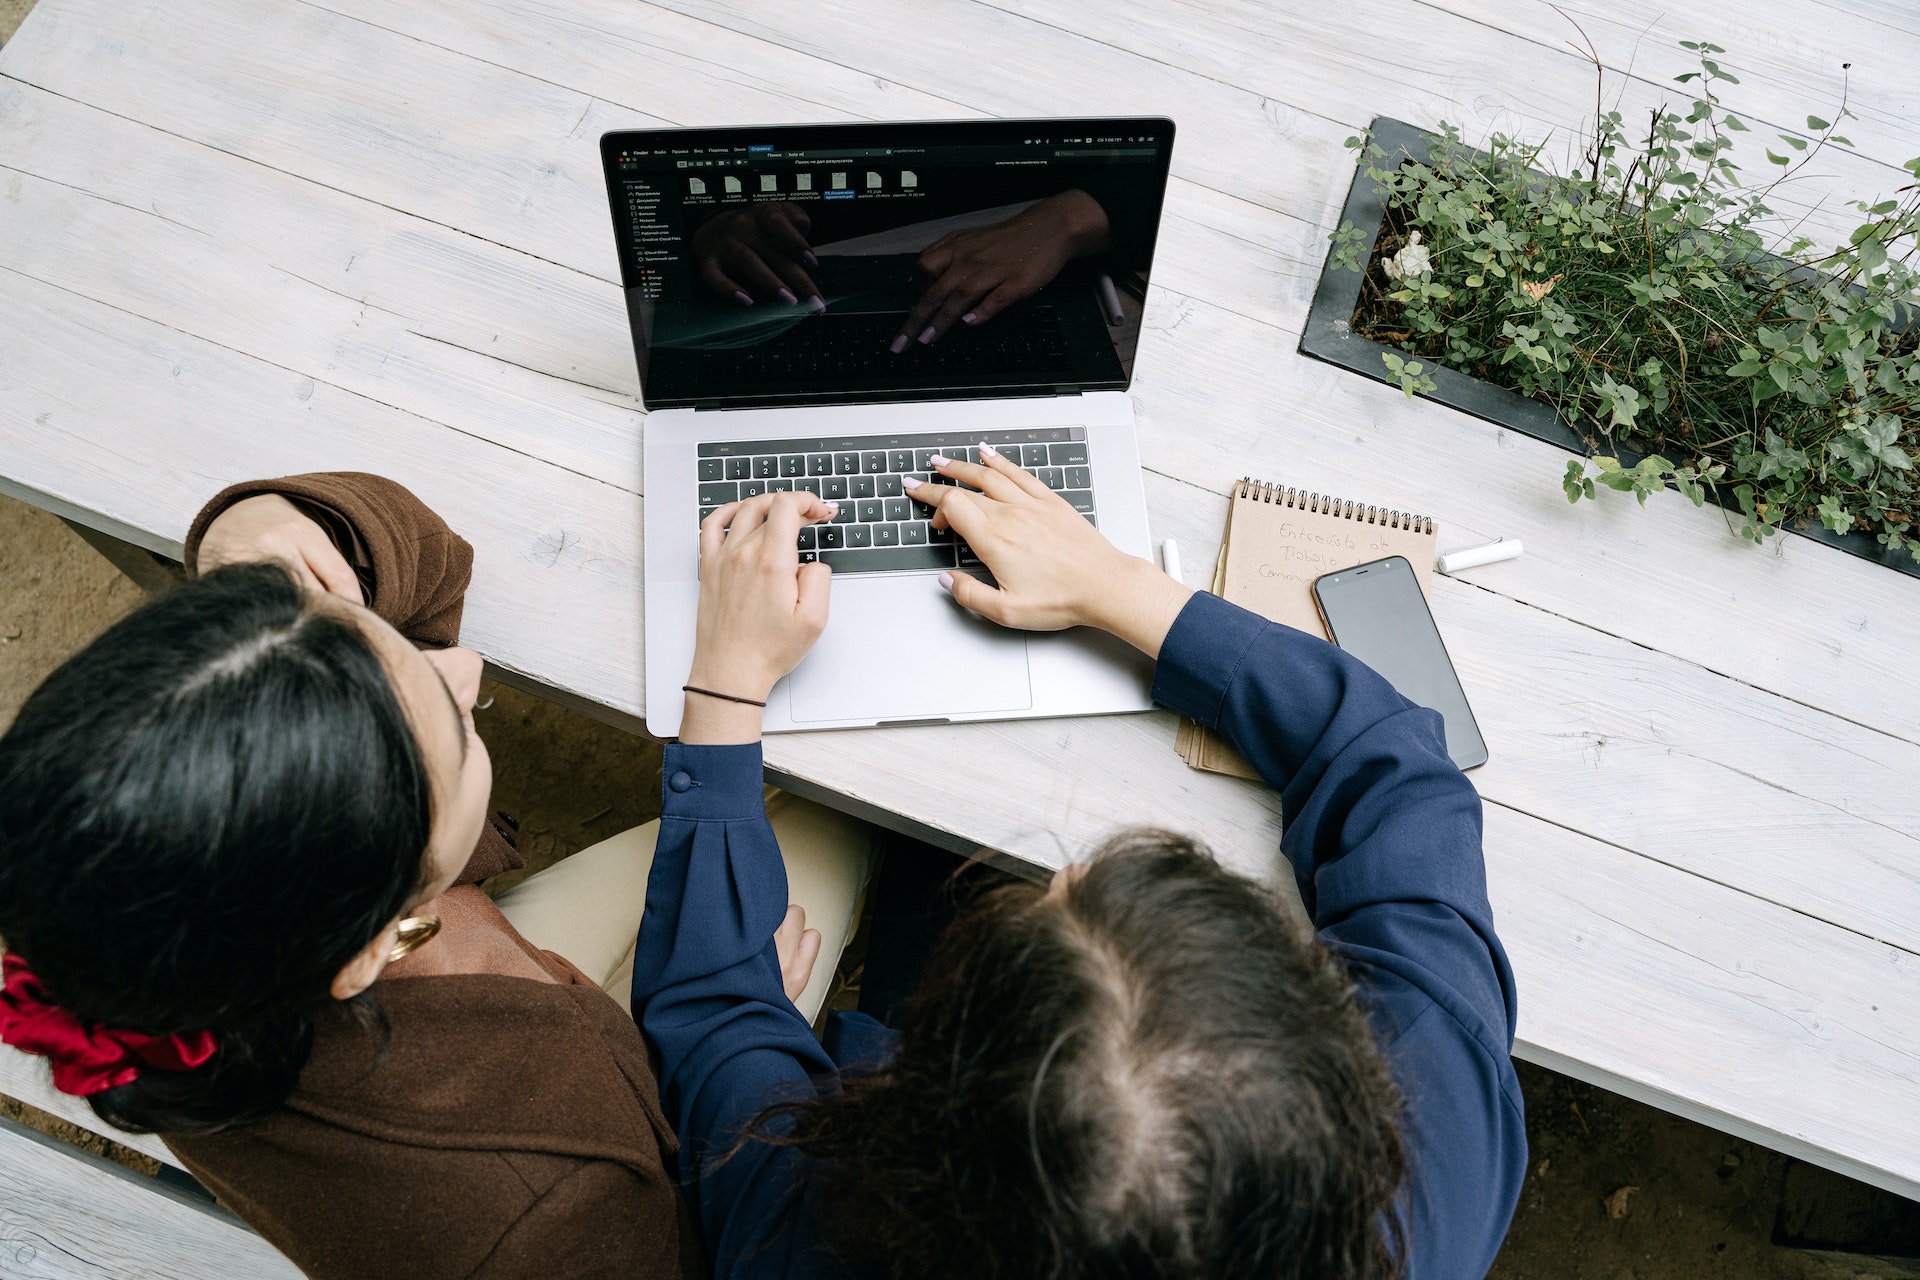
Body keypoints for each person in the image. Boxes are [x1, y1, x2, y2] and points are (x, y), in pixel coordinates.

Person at [634, 448, 1528, 1279]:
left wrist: (725, 680)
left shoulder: (807, 1237)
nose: (1058, 879)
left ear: (925, 1122)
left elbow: (708, 1014)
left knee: (925, 868)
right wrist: (1114, 584)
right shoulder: (1432, 1147)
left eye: (1033, 917)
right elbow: (1403, 777)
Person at [0, 473, 874, 1279]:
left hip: (538, 1034)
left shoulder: (131, 929)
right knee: (847, 810)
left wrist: (250, 532)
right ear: (379, 941)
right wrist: (721, 1029)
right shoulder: (551, 1223)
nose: (464, 668)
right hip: (655, 1133)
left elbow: (418, 567)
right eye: (455, 730)